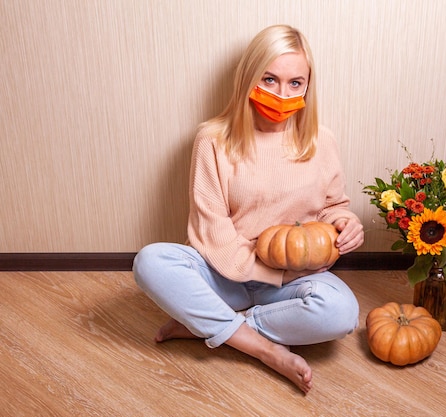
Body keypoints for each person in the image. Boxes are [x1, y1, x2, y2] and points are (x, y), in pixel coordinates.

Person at [133, 25, 364, 394]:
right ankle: (265, 350)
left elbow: (334, 208)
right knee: (150, 261)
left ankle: (215, 327)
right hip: (225, 275)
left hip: (296, 278)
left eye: (295, 83)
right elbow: (212, 231)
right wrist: (270, 272)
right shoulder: (213, 139)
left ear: (308, 86)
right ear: (248, 78)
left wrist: (347, 224)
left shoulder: (322, 140)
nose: (281, 93)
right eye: (269, 79)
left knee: (341, 313)